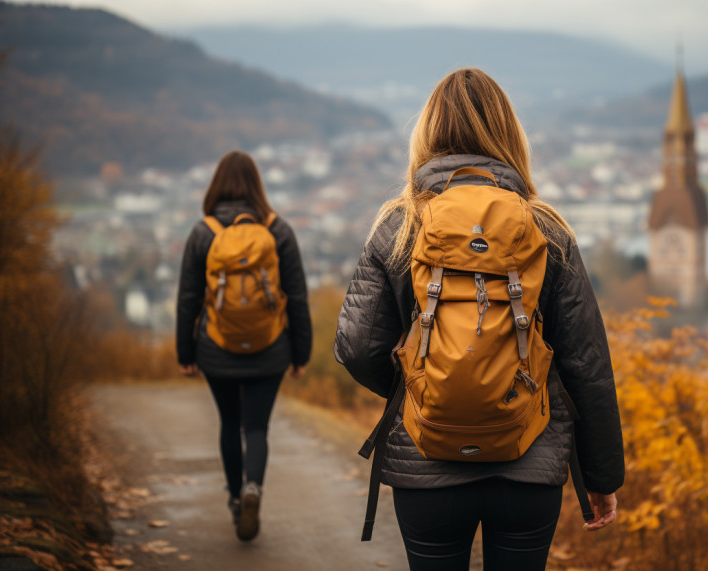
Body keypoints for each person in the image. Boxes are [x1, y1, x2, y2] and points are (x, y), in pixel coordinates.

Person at [335, 68, 624, 570]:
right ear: (508, 134)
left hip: (427, 464)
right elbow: (587, 365)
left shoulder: (398, 225)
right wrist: (601, 478)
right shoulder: (546, 229)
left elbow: (357, 346)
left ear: (426, 133)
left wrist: (426, 387)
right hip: (527, 466)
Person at [176, 150, 312, 541]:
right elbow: (297, 297)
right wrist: (300, 354)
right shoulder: (278, 230)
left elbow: (188, 299)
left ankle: (237, 499)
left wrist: (186, 354)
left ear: (216, 185)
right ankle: (255, 487)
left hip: (216, 350)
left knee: (229, 423)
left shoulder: (203, 233)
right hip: (270, 350)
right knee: (256, 427)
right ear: (257, 185)